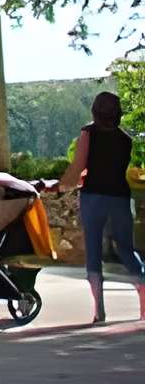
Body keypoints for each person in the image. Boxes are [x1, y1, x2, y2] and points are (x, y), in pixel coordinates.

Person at [62, 89, 145, 322]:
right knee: (127, 250)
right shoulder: (126, 140)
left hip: (93, 197)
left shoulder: (88, 133)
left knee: (94, 249)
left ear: (95, 111)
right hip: (119, 198)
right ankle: (143, 300)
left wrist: (61, 184)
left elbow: (79, 166)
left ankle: (99, 309)